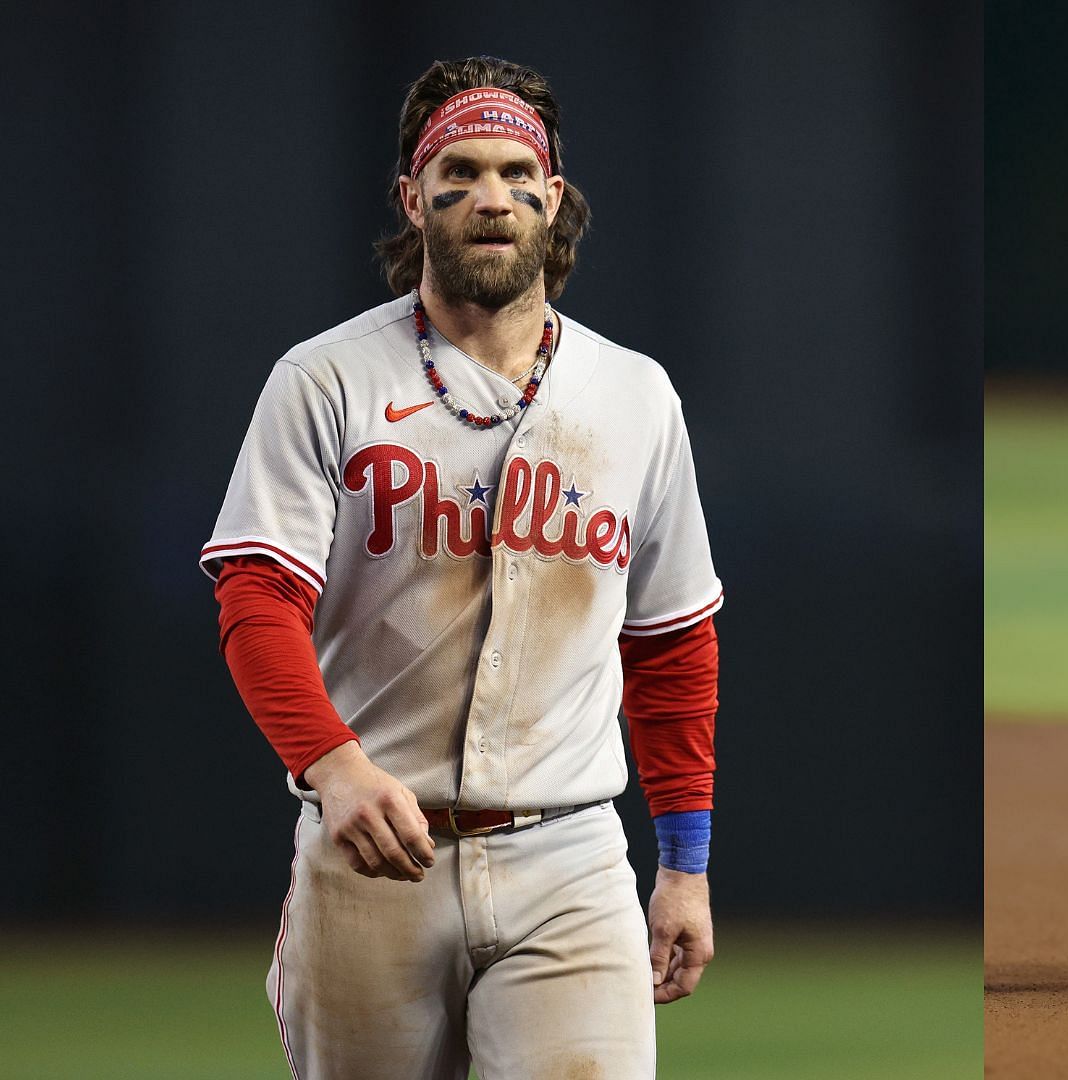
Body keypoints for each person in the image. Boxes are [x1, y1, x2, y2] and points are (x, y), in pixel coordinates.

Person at [201, 56, 723, 1076]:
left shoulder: (635, 396)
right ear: (413, 196)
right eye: (460, 171)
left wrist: (687, 867)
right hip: (371, 857)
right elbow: (256, 597)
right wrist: (333, 765)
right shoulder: (327, 380)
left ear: (553, 197)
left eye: (517, 172)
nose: (492, 195)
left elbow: (671, 645)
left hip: (569, 852)